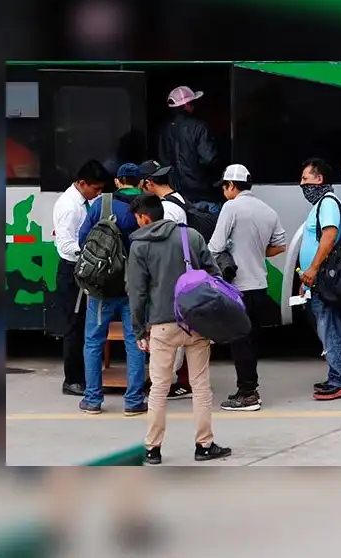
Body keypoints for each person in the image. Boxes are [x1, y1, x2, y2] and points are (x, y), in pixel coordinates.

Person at [127, 194, 231, 464]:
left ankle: (153, 449)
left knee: (159, 388)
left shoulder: (139, 247)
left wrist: (139, 331)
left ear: (144, 218)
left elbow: (136, 293)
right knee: (200, 386)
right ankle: (204, 445)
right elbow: (215, 274)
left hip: (161, 325)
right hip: (195, 323)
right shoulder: (191, 236)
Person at [208, 164, 287, 411]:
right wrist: (254, 252)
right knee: (250, 339)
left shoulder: (231, 207)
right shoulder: (267, 210)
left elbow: (215, 246)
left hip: (237, 286)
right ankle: (250, 388)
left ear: (232, 185)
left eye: (224, 186)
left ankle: (247, 393)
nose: (223, 191)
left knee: (239, 341)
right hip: (260, 285)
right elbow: (280, 245)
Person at [76, 163, 147, 416]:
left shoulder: (101, 204)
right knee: (136, 341)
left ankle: (93, 400)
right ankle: (134, 401)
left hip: (101, 288)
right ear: (140, 182)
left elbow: (83, 239)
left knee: (93, 341)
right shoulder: (146, 206)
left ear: (117, 181)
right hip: (134, 288)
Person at [51, 159, 108, 396]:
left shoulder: (83, 201)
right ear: (82, 183)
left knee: (84, 323)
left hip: (83, 268)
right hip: (72, 270)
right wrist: (94, 253)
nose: (98, 194)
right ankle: (72, 380)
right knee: (74, 327)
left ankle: (83, 375)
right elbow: (65, 245)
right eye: (96, 189)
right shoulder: (69, 206)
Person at [138, 159, 192, 400]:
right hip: (179, 272)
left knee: (170, 328)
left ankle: (168, 382)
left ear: (149, 183)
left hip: (171, 275)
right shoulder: (177, 199)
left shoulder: (167, 209)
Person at [298, 158, 341, 401]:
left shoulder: (327, 203)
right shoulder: (321, 203)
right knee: (326, 326)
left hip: (324, 277)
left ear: (319, 179)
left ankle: (339, 380)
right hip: (316, 279)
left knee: (330, 327)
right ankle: (335, 375)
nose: (302, 184)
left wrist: (313, 267)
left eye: (305, 179)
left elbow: (329, 236)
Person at [157, 86, 221, 213]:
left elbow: (163, 160)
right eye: (194, 102)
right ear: (187, 104)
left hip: (175, 196)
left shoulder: (164, 130)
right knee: (207, 231)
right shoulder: (200, 127)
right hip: (202, 196)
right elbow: (209, 159)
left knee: (182, 232)